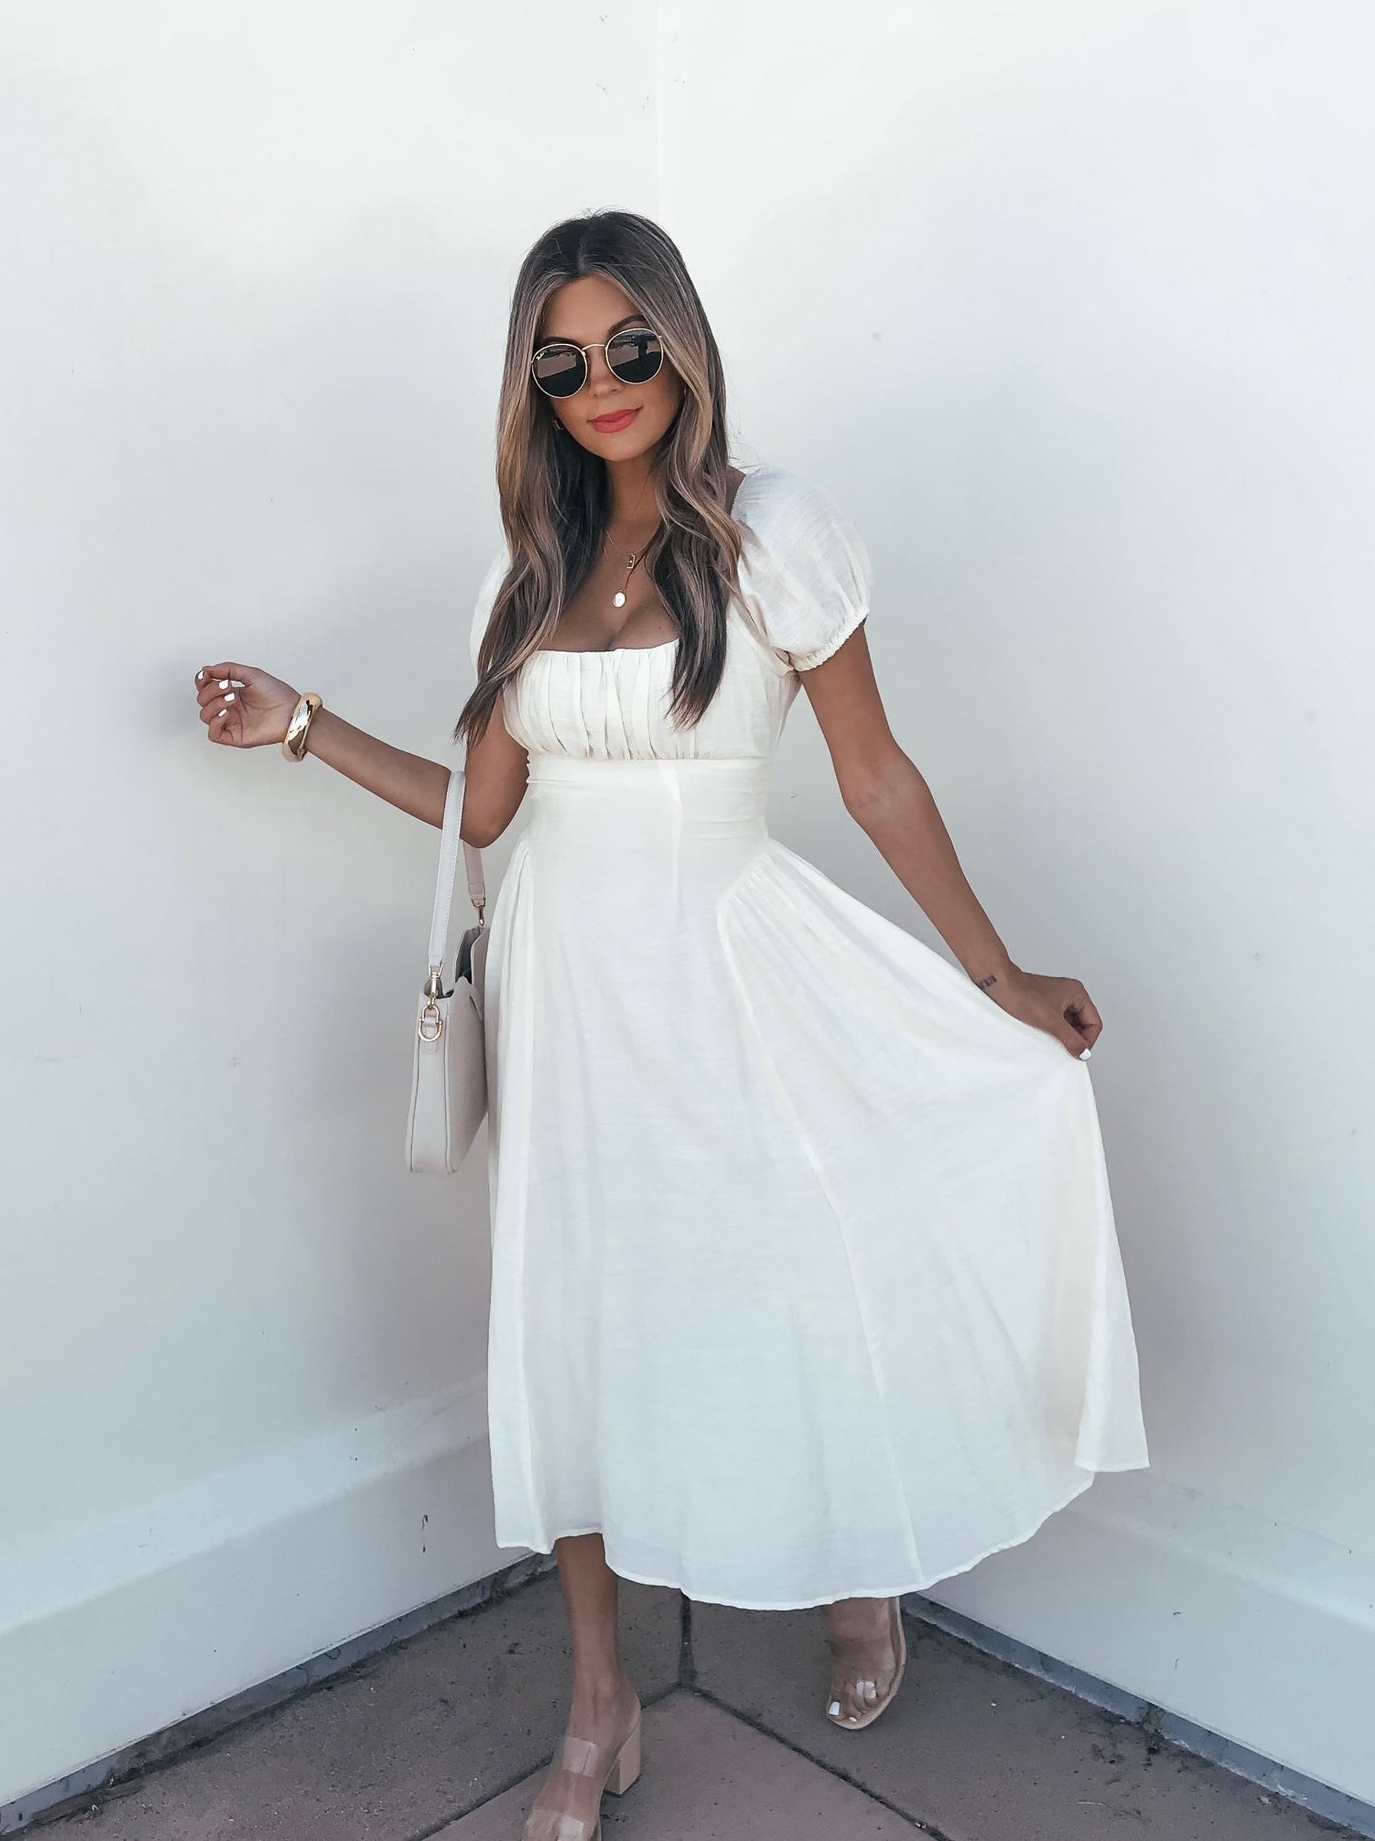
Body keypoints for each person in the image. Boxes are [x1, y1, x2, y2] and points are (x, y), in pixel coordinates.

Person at [192, 207, 1149, 1841]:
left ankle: (857, 1561)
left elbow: (874, 774)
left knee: (801, 1258)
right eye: (561, 364)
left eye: (630, 343)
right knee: (573, 1324)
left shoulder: (774, 530)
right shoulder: (536, 573)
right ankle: (597, 1696)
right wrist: (304, 729)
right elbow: (480, 817)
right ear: (534, 392)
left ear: (683, 341)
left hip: (737, 965)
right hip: (572, 994)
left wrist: (993, 976)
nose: (603, 383)